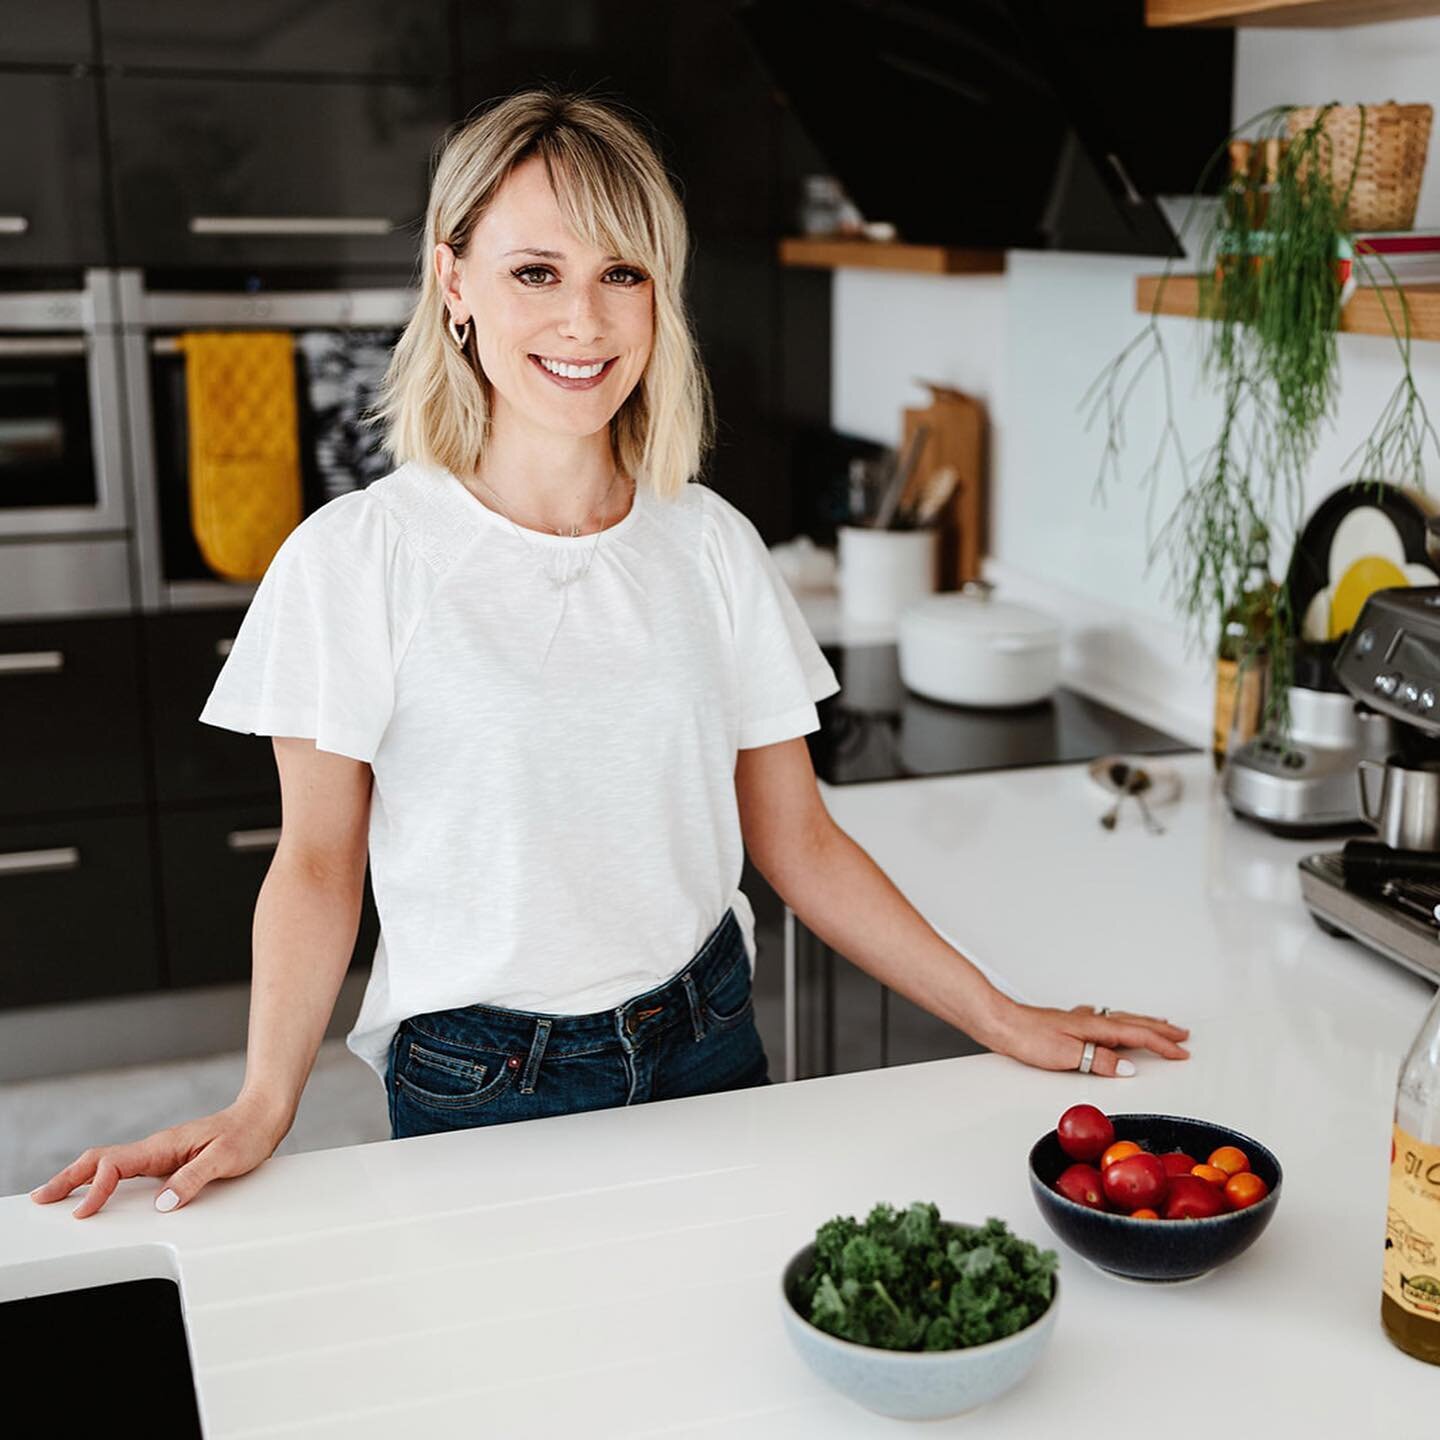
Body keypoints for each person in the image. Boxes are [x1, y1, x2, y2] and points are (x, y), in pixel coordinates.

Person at [30, 85, 1188, 1221]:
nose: (583, 321)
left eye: (620, 274)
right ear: (454, 283)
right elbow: (319, 862)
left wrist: (1000, 1015)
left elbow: (799, 840)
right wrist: (263, 1097)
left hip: (709, 1033)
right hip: (481, 1079)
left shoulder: (713, 546)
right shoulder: (356, 560)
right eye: (537, 271)